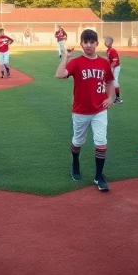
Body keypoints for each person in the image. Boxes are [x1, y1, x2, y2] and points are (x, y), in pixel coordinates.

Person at [56, 29, 115, 191]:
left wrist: (110, 97)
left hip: (99, 110)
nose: (89, 45)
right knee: (78, 141)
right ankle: (75, 163)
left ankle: (98, 176)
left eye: (92, 42)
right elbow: (59, 74)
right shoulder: (77, 62)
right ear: (81, 44)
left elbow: (110, 81)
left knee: (101, 141)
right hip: (81, 111)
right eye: (85, 42)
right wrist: (66, 57)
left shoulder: (103, 62)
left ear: (97, 43)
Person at [104, 36, 123, 104]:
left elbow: (115, 62)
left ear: (110, 43)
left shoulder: (113, 50)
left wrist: (110, 68)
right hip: (112, 67)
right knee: (108, 81)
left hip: (116, 67)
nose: (105, 43)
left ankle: (118, 99)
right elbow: (109, 60)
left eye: (106, 41)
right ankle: (107, 96)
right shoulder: (108, 50)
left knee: (115, 82)